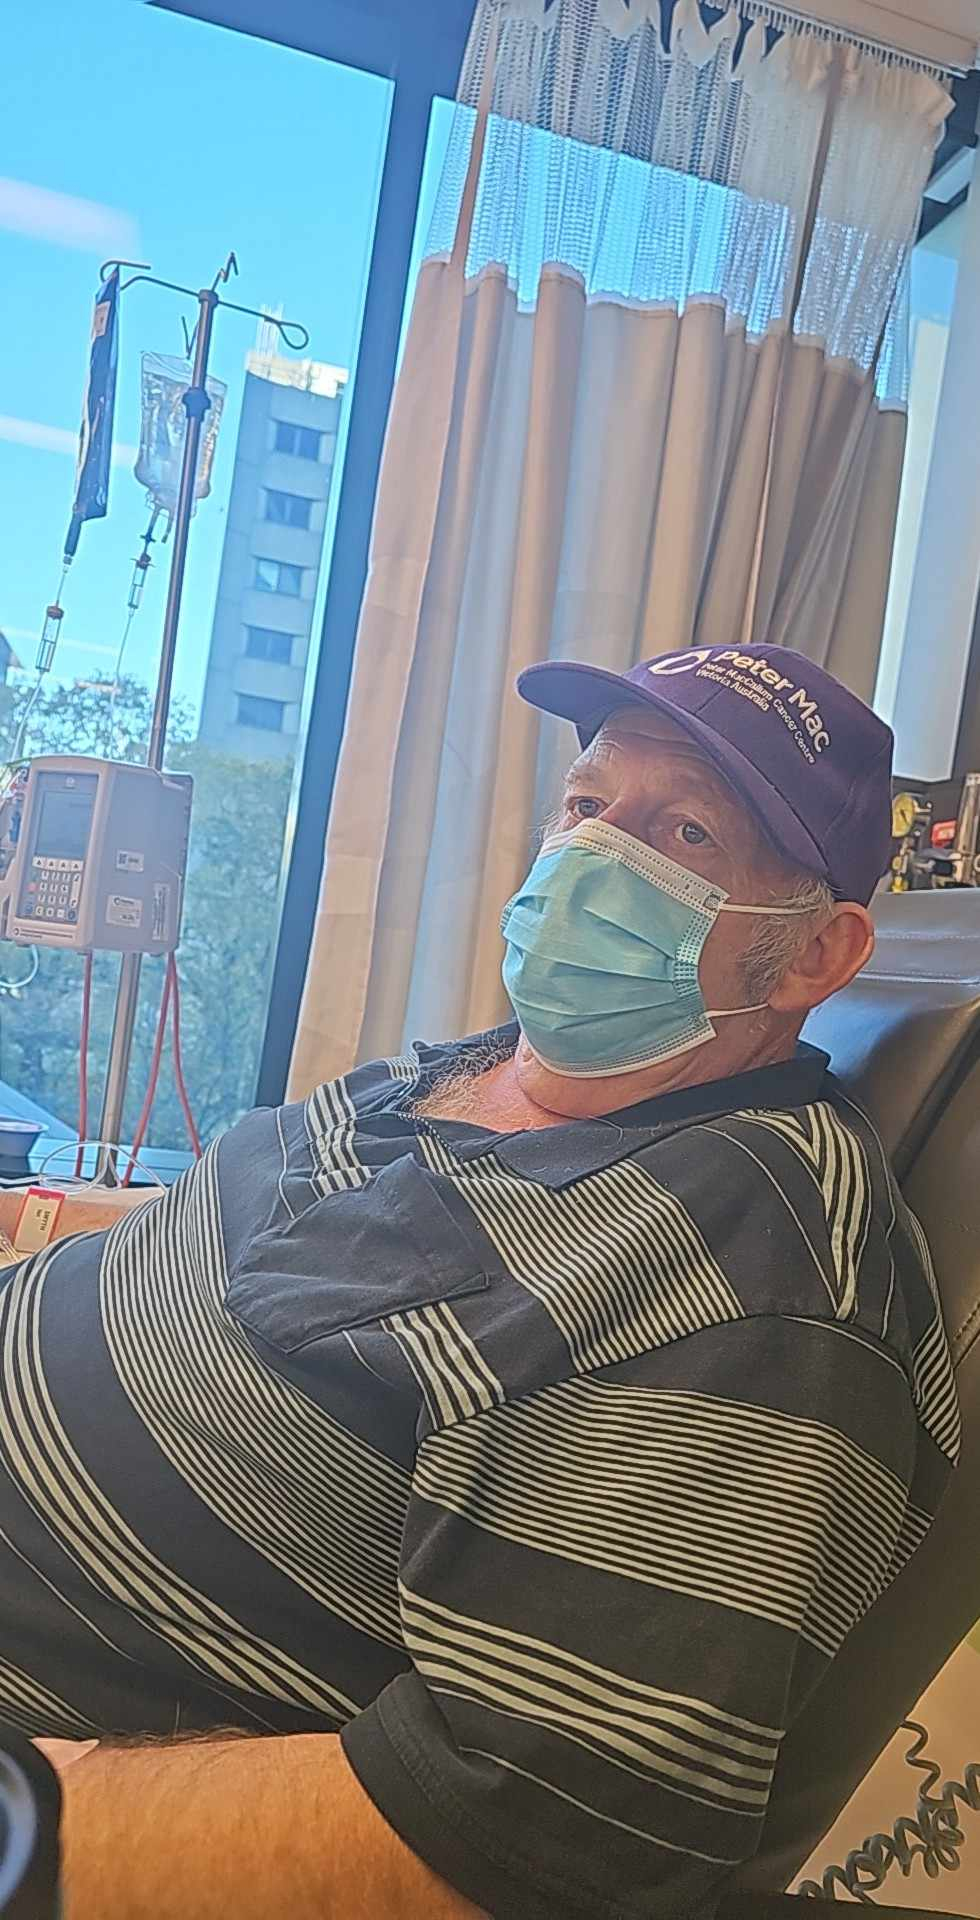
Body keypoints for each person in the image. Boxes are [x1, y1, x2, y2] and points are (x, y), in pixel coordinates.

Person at [1, 644, 959, 1920]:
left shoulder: (759, 1278)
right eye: (586, 804)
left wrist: (31, 1816)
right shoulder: (477, 1068)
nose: (592, 855)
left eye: (683, 833)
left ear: (810, 958)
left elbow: (536, 1835)